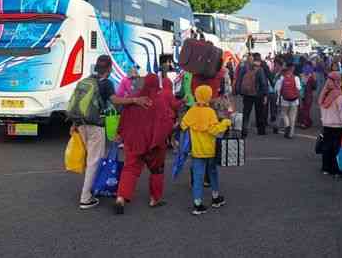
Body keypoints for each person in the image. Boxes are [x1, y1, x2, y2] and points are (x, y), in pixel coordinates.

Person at [74, 55, 150, 210]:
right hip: (96, 125)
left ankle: (92, 188)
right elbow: (115, 100)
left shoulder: (86, 81)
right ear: (109, 68)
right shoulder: (106, 83)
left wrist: (74, 123)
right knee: (94, 161)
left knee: (90, 158)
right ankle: (85, 197)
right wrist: (134, 100)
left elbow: (77, 103)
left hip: (81, 123)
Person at [114, 73, 182, 214]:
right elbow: (166, 122)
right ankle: (154, 199)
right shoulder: (159, 101)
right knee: (157, 171)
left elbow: (124, 119)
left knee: (130, 169)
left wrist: (120, 134)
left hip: (135, 142)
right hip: (154, 144)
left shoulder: (135, 100)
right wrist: (173, 127)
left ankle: (121, 198)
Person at [181, 85, 232, 215]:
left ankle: (197, 204)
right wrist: (226, 122)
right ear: (208, 96)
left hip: (197, 150)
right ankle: (215, 197)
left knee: (198, 177)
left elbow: (183, 125)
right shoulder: (210, 112)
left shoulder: (191, 111)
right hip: (210, 149)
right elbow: (214, 130)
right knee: (213, 172)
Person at [318, 71, 342, 175]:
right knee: (337, 149)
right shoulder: (339, 95)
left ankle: (326, 168)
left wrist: (323, 121)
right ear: (338, 81)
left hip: (326, 125)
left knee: (326, 147)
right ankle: (337, 170)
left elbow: (321, 109)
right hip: (337, 126)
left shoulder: (324, 94)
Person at [236, 53, 269, 137]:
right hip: (258, 94)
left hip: (247, 94)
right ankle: (261, 130)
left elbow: (239, 79)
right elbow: (263, 83)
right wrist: (265, 94)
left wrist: (239, 91)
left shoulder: (244, 68)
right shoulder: (260, 70)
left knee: (246, 113)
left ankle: (244, 131)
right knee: (259, 112)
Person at [275, 63, 302, 138]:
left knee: (284, 113)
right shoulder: (296, 78)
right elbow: (299, 89)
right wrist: (300, 100)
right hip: (294, 100)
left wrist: (279, 98)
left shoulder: (282, 78)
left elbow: (278, 89)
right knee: (292, 117)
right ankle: (291, 134)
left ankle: (287, 125)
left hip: (284, 99)